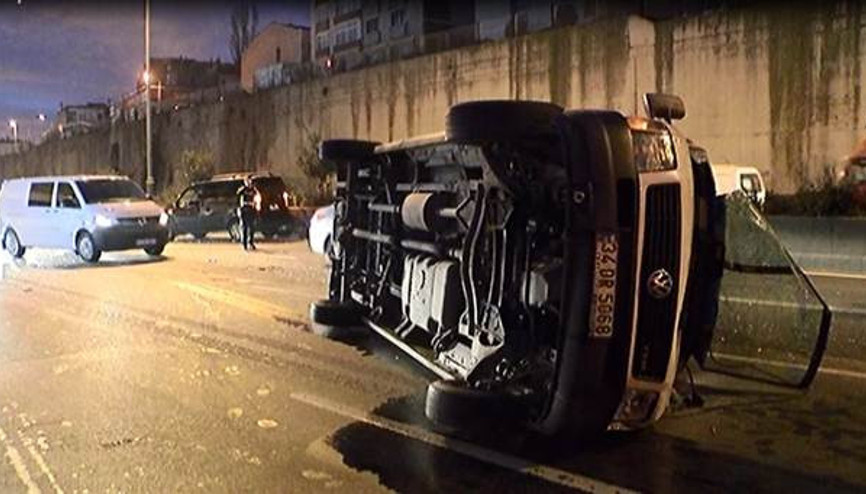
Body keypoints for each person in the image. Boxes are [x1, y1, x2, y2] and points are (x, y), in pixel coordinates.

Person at [236, 177, 257, 251]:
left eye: (250, 181)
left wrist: (255, 206)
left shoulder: (253, 190)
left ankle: (251, 242)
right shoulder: (242, 190)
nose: (249, 183)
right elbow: (238, 198)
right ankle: (244, 244)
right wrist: (239, 209)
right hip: (244, 210)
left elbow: (256, 198)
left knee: (252, 228)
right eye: (247, 181)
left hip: (251, 210)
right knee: (244, 227)